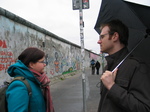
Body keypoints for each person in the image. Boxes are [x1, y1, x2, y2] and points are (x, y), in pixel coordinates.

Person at [97, 19, 150, 112]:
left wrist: (112, 87)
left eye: (102, 37)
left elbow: (144, 108)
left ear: (115, 36)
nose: (99, 41)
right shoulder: (109, 66)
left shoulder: (136, 66)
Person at [6, 47, 55, 112]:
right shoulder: (19, 85)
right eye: (42, 61)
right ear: (31, 64)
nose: (45, 64)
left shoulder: (35, 80)